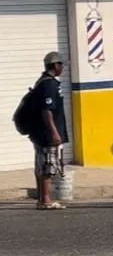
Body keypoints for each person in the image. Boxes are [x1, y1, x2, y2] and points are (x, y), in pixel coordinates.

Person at [26, 52, 69, 211]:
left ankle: (42, 200)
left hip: (40, 132)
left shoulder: (42, 82)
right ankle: (45, 200)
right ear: (55, 65)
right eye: (61, 65)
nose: (62, 68)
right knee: (47, 166)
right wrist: (54, 132)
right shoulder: (49, 84)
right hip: (46, 133)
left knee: (42, 165)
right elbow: (46, 110)